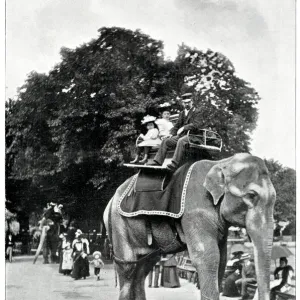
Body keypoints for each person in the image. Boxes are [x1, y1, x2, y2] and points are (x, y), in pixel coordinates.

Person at [147, 93, 203, 171]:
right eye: (185, 102)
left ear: (192, 101)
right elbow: (176, 126)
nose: (187, 104)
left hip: (194, 136)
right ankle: (158, 161)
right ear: (183, 103)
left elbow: (197, 124)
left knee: (181, 141)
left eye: (188, 102)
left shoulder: (197, 112)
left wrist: (184, 127)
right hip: (183, 136)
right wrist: (170, 134)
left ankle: (174, 164)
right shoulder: (182, 113)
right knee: (166, 141)